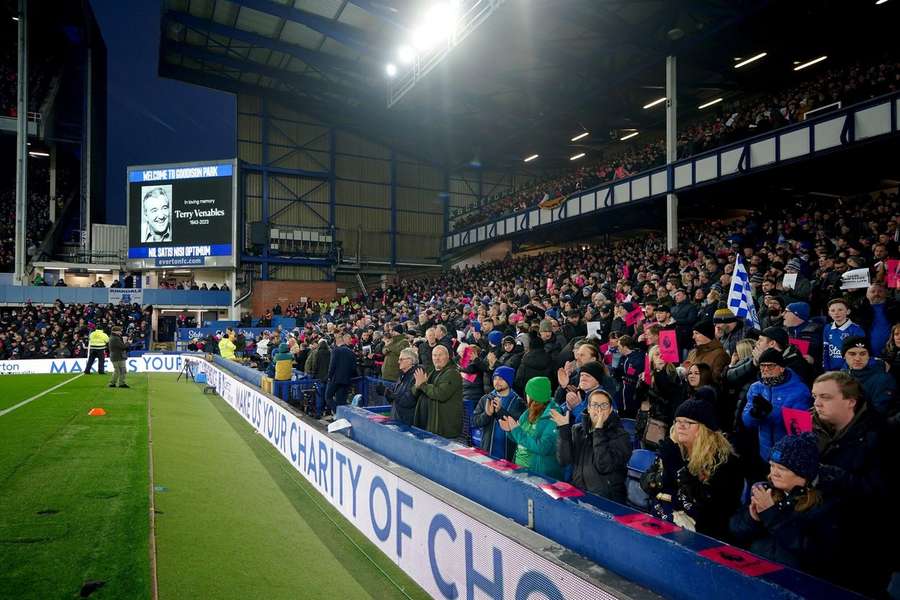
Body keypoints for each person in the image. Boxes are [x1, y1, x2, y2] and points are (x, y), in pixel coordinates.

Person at [811, 372, 892, 596]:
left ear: (850, 401)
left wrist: (827, 475)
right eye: (815, 396)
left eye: (825, 397)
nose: (817, 403)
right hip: (821, 537)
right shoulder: (813, 426)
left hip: (862, 547)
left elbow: (879, 493)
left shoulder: (880, 437)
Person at [729, 433, 840, 579]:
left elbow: (815, 553)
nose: (773, 473)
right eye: (771, 466)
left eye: (781, 468)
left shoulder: (825, 504)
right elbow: (735, 529)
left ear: (803, 472)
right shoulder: (767, 490)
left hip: (795, 584)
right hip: (756, 575)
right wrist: (753, 518)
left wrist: (771, 514)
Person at [640, 399, 743, 539]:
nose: (681, 426)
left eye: (688, 422)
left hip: (704, 537)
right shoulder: (674, 449)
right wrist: (659, 478)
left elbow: (709, 511)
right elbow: (645, 482)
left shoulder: (725, 462)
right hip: (663, 523)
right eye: (678, 421)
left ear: (705, 429)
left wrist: (676, 466)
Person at [551, 388, 631, 503]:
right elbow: (564, 460)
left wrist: (599, 430)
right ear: (588, 408)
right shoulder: (577, 430)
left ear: (610, 409)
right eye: (594, 405)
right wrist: (564, 430)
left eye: (604, 405)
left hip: (607, 499)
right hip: (580, 495)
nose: (599, 409)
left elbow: (604, 465)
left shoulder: (621, 436)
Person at [742, 348, 812, 479]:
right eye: (762, 366)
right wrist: (755, 414)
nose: (766, 369)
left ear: (781, 368)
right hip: (764, 454)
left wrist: (771, 411)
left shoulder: (799, 390)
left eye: (770, 366)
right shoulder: (756, 387)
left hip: (788, 458)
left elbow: (800, 427)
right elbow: (747, 422)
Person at [498, 376, 563, 479]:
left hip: (540, 475)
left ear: (534, 396)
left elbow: (543, 448)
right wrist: (510, 431)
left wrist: (516, 430)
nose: (526, 396)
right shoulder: (528, 412)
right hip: (521, 469)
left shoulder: (553, 417)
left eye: (528, 393)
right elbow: (520, 439)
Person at [472, 366, 526, 460]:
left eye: (501, 379)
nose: (497, 382)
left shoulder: (518, 402)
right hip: (487, 452)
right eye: (495, 378)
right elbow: (474, 422)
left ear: (509, 381)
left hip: (508, 455)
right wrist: (487, 415)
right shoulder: (486, 398)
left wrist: (500, 411)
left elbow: (519, 426)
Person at [413, 344, 464, 438]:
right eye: (434, 355)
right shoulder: (430, 371)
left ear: (448, 356)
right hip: (427, 423)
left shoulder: (452, 373)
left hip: (443, 428)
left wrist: (423, 385)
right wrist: (417, 386)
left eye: (440, 355)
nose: (437, 358)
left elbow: (440, 394)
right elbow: (414, 392)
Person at [840, 336, 897, 417]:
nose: (857, 358)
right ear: (844, 356)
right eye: (852, 354)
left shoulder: (883, 380)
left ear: (869, 356)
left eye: (863, 354)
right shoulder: (842, 375)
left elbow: (878, 414)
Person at [822, 298, 866, 372]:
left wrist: (844, 370)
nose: (836, 313)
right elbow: (825, 350)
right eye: (833, 310)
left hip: (849, 371)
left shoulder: (856, 329)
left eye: (840, 310)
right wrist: (826, 369)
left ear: (848, 311)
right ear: (829, 313)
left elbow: (857, 353)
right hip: (831, 371)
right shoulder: (827, 328)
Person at [381, 347, 419, 426]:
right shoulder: (402, 375)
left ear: (410, 361)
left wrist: (388, 393)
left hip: (407, 424)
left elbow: (408, 401)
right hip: (397, 419)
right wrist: (386, 393)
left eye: (401, 359)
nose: (398, 362)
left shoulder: (416, 376)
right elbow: (394, 398)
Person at [323, 333, 357, 417]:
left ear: (337, 341)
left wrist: (329, 377)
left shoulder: (336, 350)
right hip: (346, 380)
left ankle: (338, 413)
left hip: (335, 379)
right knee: (341, 400)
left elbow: (332, 365)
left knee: (328, 397)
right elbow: (353, 368)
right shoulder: (351, 352)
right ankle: (342, 417)